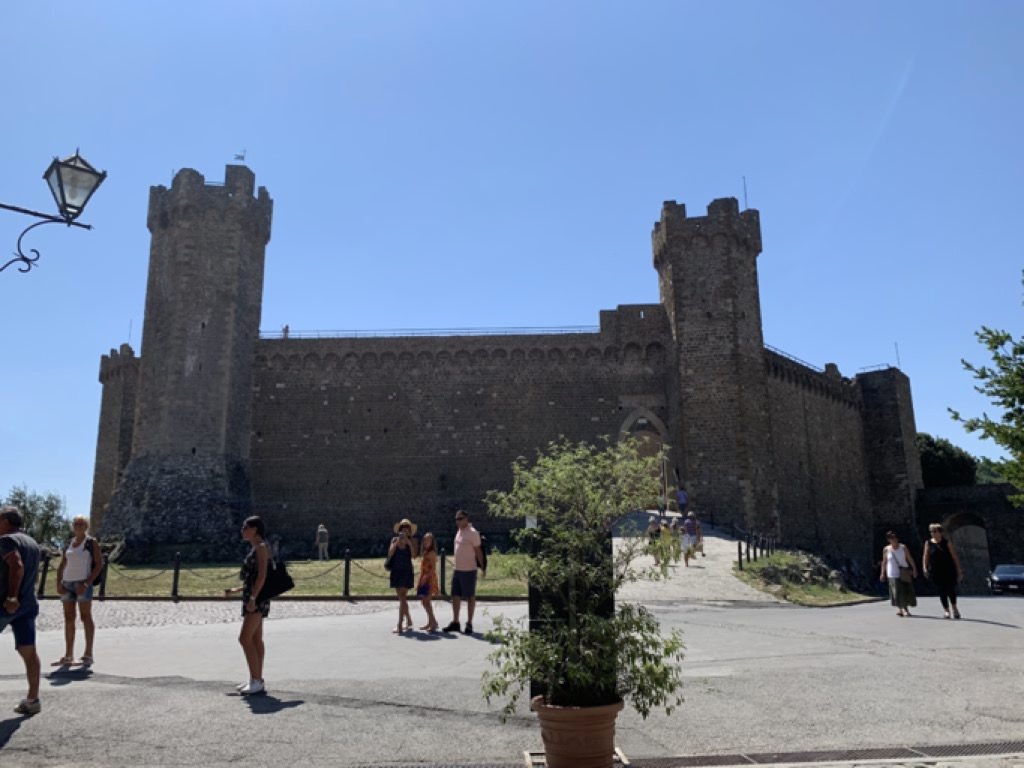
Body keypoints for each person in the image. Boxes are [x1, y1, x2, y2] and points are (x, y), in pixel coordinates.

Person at [0, 506, 42, 715]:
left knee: (28, 651)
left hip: (7, 604)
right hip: (27, 604)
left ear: (6, 522)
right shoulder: (32, 543)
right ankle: (33, 699)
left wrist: (11, 597)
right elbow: (33, 574)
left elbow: (16, 566)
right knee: (28, 651)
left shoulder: (6, 541)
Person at [224, 516, 270, 695]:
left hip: (257, 599)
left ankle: (256, 680)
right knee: (256, 639)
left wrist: (252, 598)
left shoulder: (261, 548)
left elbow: (262, 576)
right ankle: (256, 679)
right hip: (254, 596)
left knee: (244, 639)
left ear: (254, 530)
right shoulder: (257, 547)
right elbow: (253, 577)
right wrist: (237, 590)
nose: (242, 530)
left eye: (245, 527)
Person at [53, 515, 103, 667]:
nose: (78, 526)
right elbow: (63, 563)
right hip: (67, 583)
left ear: (86, 526)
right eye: (76, 523)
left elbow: (99, 563)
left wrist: (87, 583)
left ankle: (88, 653)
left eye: (81, 523)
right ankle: (68, 655)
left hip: (82, 583)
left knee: (85, 616)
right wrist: (58, 582)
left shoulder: (91, 542)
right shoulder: (70, 542)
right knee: (69, 617)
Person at [442, 510, 483, 635]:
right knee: (455, 596)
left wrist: (483, 566)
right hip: (457, 569)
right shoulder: (459, 531)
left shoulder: (473, 533)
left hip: (469, 570)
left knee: (470, 596)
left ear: (466, 519)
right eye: (456, 519)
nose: (457, 521)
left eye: (460, 519)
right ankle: (455, 622)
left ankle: (469, 623)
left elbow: (478, 551)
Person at [922, 523, 964, 619]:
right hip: (936, 571)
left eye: (935, 531)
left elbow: (954, 557)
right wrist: (924, 568)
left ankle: (954, 607)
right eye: (931, 532)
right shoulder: (928, 543)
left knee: (950, 590)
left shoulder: (947, 542)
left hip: (948, 570)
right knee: (941, 591)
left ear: (940, 532)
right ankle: (946, 611)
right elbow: (925, 556)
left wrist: (959, 570)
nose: (933, 533)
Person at [879, 530, 918, 617]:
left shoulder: (903, 547)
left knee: (905, 591)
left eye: (895, 537)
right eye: (892, 538)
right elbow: (884, 562)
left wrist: (914, 568)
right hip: (892, 573)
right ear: (889, 539)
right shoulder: (886, 549)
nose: (895, 539)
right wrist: (882, 573)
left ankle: (905, 609)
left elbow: (909, 558)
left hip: (904, 572)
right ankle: (901, 609)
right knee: (897, 592)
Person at [388, 519, 417, 634]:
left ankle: (400, 624)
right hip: (396, 571)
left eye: (407, 528)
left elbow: (414, 556)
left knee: (403, 597)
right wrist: (397, 542)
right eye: (403, 528)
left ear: (409, 531)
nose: (405, 530)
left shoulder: (412, 541)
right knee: (401, 598)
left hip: (406, 571)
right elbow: (390, 553)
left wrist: (408, 543)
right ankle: (409, 620)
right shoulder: (394, 540)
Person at [416, 532, 440, 632]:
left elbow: (433, 569)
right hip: (424, 577)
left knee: (427, 602)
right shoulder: (425, 552)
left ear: (432, 542)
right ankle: (431, 622)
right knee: (424, 601)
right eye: (425, 540)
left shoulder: (432, 553)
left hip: (429, 579)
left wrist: (426, 576)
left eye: (428, 540)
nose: (426, 542)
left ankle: (433, 623)